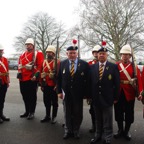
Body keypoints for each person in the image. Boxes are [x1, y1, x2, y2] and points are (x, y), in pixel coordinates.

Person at [57, 40, 90, 139]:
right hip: (66, 93)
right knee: (67, 112)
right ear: (67, 54)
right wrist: (59, 91)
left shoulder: (84, 64)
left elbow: (87, 80)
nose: (72, 55)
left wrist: (86, 94)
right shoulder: (62, 64)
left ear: (77, 53)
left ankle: (76, 130)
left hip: (78, 94)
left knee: (77, 113)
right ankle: (68, 130)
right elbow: (58, 79)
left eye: (74, 53)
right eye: (70, 53)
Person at [90, 47, 120, 144]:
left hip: (108, 98)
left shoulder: (113, 66)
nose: (101, 55)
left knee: (107, 120)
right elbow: (90, 83)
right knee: (98, 119)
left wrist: (115, 97)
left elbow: (117, 83)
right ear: (97, 55)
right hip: (95, 98)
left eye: (103, 53)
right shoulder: (93, 67)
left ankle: (108, 137)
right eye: (100, 54)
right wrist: (90, 96)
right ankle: (98, 135)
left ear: (107, 55)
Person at [114, 44, 143, 141]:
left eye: (127, 55)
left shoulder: (134, 66)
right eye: (123, 54)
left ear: (130, 56)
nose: (125, 56)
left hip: (129, 93)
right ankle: (120, 130)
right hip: (118, 92)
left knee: (129, 113)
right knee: (118, 112)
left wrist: (139, 93)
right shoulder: (116, 65)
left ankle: (127, 131)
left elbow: (139, 80)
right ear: (121, 55)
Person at [17, 38, 44, 120]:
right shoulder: (22, 54)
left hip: (32, 78)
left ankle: (32, 112)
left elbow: (40, 66)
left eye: (29, 44)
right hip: (23, 78)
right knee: (24, 95)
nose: (28, 46)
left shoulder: (38, 54)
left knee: (32, 96)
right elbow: (19, 65)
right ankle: (27, 111)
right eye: (27, 44)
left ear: (33, 45)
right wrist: (19, 73)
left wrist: (36, 75)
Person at [40, 45, 60, 124]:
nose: (48, 54)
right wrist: (41, 84)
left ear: (53, 54)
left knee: (54, 102)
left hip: (53, 85)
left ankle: (54, 117)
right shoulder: (43, 62)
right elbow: (41, 72)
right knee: (46, 101)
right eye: (48, 52)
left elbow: (59, 75)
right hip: (45, 84)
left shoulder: (57, 62)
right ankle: (47, 115)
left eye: (50, 52)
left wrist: (57, 85)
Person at [88, 45, 101, 133]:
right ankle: (94, 125)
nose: (96, 54)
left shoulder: (104, 63)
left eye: (98, 52)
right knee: (92, 110)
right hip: (92, 91)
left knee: (102, 110)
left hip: (102, 91)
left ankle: (102, 127)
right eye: (95, 52)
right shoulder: (89, 64)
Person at [0, 44, 10, 124]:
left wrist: (8, 80)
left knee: (2, 99)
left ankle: (1, 114)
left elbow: (7, 71)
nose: (1, 52)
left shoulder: (5, 59)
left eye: (1, 50)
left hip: (4, 81)